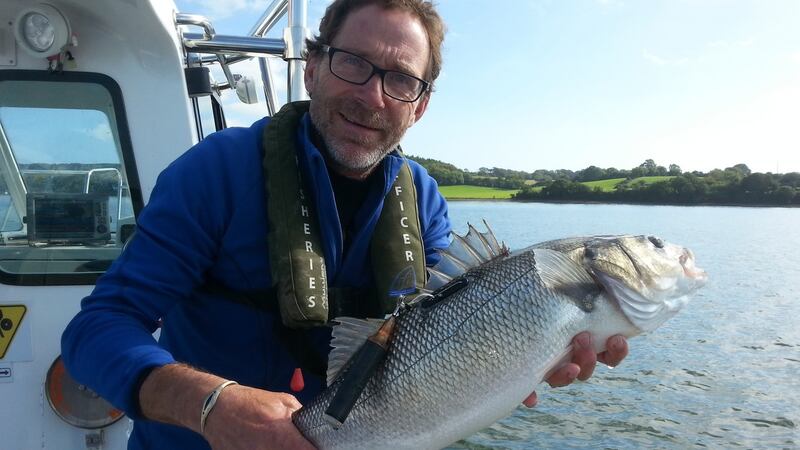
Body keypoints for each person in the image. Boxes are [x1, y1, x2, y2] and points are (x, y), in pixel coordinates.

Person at [61, 1, 628, 449]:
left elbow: (442, 332)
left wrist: (530, 354)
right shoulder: (214, 173)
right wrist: (212, 407)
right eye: (353, 63)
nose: (371, 97)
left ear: (420, 106)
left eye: (401, 80)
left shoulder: (423, 199)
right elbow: (95, 332)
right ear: (312, 66)